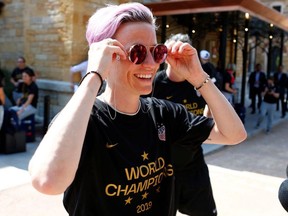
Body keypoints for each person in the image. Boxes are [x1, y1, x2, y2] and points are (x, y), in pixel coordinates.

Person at [28, 3, 246, 216]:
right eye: (138, 52)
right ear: (105, 56)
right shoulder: (83, 120)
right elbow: (47, 181)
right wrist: (93, 75)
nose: (151, 63)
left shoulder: (165, 114)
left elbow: (234, 134)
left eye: (157, 51)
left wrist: (199, 77)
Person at [150, 33, 217, 216]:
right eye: (171, 52)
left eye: (182, 53)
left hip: (193, 164)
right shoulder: (154, 84)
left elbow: (209, 120)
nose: (176, 58)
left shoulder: (199, 82)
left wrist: (208, 95)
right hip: (161, 169)